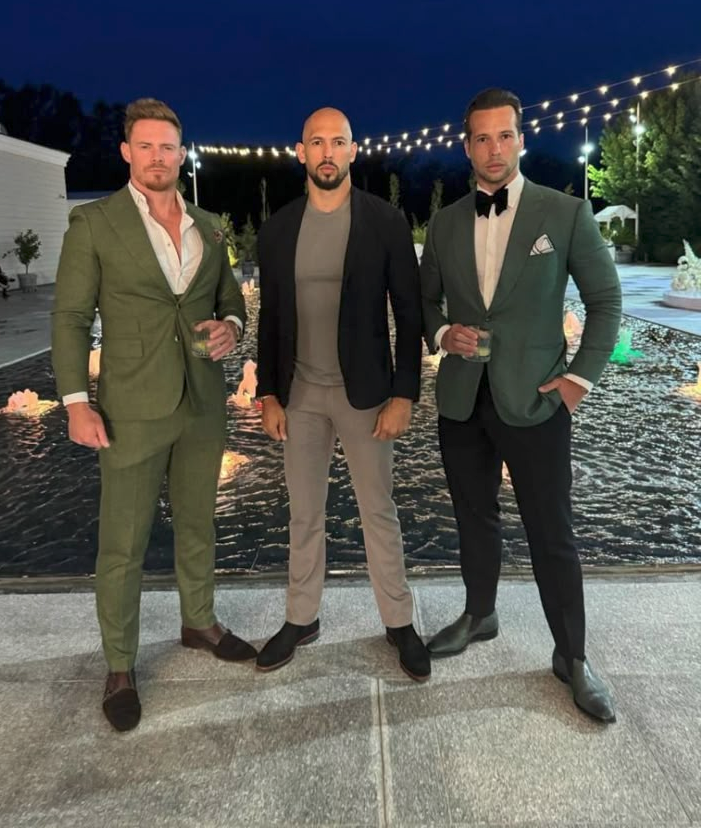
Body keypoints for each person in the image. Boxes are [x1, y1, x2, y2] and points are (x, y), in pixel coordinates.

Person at [52, 98, 255, 733]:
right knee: (123, 543)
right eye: (146, 146)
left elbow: (230, 300)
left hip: (202, 403)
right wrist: (76, 402)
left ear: (181, 152)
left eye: (168, 147)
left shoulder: (208, 225)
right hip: (131, 408)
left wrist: (231, 326)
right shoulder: (94, 222)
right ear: (126, 152)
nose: (158, 157)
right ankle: (119, 665)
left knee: (198, 522)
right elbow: (70, 317)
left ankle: (200, 622)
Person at [420, 88, 622, 722]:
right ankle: (479, 614)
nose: (494, 148)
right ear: (466, 146)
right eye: (482, 138)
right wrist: (440, 334)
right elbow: (425, 302)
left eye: (504, 135)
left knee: (551, 530)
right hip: (462, 399)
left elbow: (606, 301)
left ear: (521, 139)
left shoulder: (564, 213)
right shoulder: (446, 223)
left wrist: (578, 380)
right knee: (473, 517)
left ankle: (572, 656)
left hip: (536, 401)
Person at [255, 106, 430, 682]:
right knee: (304, 514)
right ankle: (301, 618)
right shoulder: (279, 229)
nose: (327, 152)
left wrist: (404, 394)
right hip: (300, 396)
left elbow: (409, 313)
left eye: (338, 142)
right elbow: (270, 319)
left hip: (368, 396)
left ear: (354, 150)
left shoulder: (384, 222)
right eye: (317, 142)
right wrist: (268, 394)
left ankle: (399, 621)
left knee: (378, 511)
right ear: (300, 152)